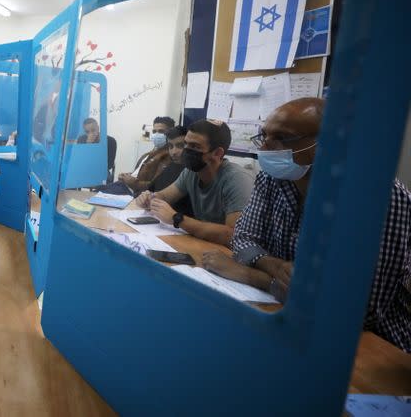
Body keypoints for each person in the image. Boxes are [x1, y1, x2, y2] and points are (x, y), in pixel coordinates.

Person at [201, 98, 410, 352]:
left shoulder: (379, 198)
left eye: (282, 137)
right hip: (285, 316)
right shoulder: (274, 176)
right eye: (264, 135)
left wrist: (254, 276)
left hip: (370, 346)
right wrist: (275, 266)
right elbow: (242, 237)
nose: (266, 147)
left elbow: (358, 312)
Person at [135, 119, 254, 245]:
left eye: (195, 146)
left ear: (217, 153)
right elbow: (165, 196)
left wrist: (177, 219)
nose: (186, 150)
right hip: (205, 243)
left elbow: (233, 235)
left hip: (229, 253)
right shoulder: (191, 172)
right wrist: (149, 198)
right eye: (186, 144)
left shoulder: (237, 179)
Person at [101, 116, 175, 195]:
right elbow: (139, 174)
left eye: (161, 131)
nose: (156, 134)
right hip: (125, 186)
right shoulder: (151, 152)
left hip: (133, 192)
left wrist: (133, 182)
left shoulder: (168, 157)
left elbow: (156, 186)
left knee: (97, 196)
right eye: (154, 131)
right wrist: (126, 176)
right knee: (96, 192)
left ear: (170, 133)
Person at [150, 126, 192, 216]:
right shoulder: (171, 166)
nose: (174, 152)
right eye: (170, 146)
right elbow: (152, 190)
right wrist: (146, 197)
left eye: (180, 146)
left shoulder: (193, 172)